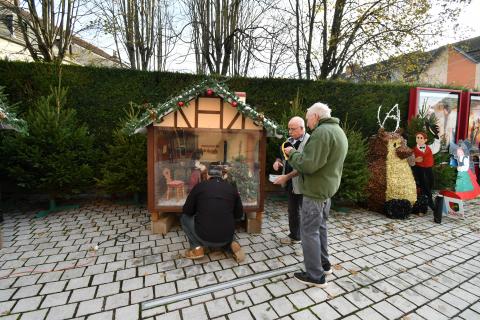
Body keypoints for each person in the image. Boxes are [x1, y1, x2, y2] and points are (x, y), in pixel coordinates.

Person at [284, 102, 348, 288]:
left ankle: (315, 275)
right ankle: (324, 264)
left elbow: (308, 165)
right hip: (327, 190)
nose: (307, 122)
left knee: (308, 231)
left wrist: (292, 153)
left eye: (307, 118)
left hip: (315, 191)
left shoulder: (321, 133)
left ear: (316, 117)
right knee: (320, 228)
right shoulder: (338, 131)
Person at [181, 164, 245, 262]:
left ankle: (196, 248)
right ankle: (231, 243)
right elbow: (239, 215)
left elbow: (187, 210)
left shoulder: (199, 186)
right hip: (226, 236)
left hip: (202, 235)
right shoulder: (232, 189)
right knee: (229, 218)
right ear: (222, 175)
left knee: (184, 218)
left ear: (207, 175)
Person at [272, 116, 310, 245]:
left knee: (306, 212)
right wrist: (277, 162)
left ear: (302, 128)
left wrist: (286, 177)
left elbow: (304, 167)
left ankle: (309, 239)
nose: (290, 132)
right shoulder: (289, 140)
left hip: (304, 185)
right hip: (290, 184)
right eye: (289, 129)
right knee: (292, 211)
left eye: (293, 129)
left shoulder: (310, 142)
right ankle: (295, 236)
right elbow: (280, 154)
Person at [412, 132, 435, 211]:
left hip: (428, 168)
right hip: (419, 168)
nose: (419, 139)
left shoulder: (429, 148)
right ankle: (430, 201)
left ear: (425, 140)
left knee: (431, 181)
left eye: (421, 138)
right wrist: (415, 159)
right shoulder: (414, 150)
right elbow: (409, 159)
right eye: (417, 138)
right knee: (424, 184)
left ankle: (426, 197)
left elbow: (436, 147)